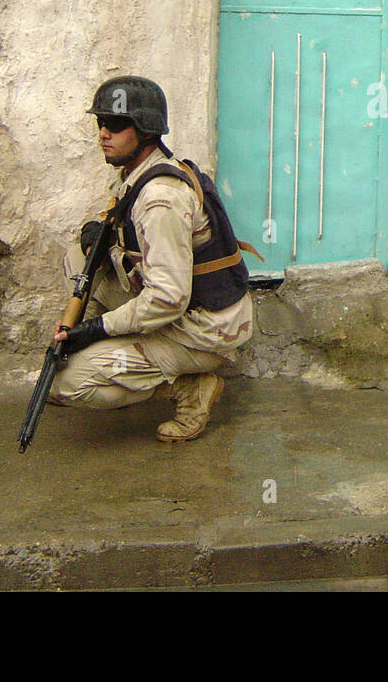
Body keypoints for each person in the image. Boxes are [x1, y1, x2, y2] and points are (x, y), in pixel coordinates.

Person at [50, 75, 255, 443]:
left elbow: (167, 298)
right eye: (100, 124)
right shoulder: (138, 174)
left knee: (67, 383)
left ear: (145, 131)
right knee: (77, 258)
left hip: (204, 328)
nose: (103, 134)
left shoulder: (161, 199)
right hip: (184, 305)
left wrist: (97, 329)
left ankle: (190, 391)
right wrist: (102, 234)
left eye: (114, 125)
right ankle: (106, 358)